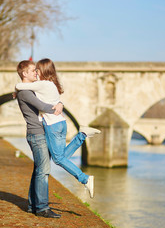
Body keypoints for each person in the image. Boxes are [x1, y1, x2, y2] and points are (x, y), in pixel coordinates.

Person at [16, 58, 101, 198]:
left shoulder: (42, 84)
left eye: (37, 69)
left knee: (59, 159)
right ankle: (82, 134)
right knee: (61, 158)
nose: (36, 72)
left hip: (53, 126)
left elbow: (21, 87)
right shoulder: (52, 85)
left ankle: (85, 179)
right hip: (62, 123)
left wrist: (16, 89)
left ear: (42, 70)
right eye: (34, 70)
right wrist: (60, 104)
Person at [16, 60, 63, 218]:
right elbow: (43, 106)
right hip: (36, 134)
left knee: (39, 170)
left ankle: (32, 205)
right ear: (25, 74)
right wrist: (58, 107)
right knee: (43, 171)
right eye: (32, 71)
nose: (36, 72)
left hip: (39, 133)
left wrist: (59, 102)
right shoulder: (25, 93)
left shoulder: (30, 90)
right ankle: (42, 208)